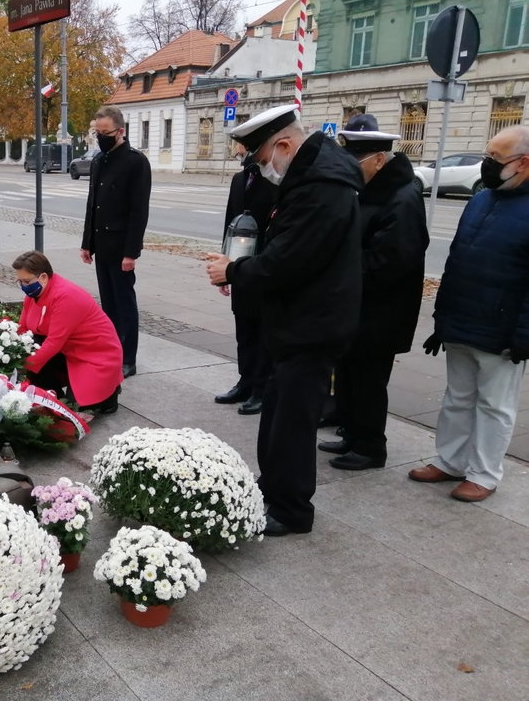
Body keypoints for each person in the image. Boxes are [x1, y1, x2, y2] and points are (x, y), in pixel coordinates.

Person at [205, 104, 364, 536]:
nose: (263, 170)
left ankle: (291, 509)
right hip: (295, 323)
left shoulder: (322, 187)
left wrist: (233, 271)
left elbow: (290, 260)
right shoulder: (310, 177)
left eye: (261, 159)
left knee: (292, 422)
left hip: (311, 326)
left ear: (284, 145)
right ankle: (273, 487)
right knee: (278, 414)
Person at [409, 125, 529, 501]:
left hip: (502, 329)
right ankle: (450, 461)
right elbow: (458, 261)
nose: (486, 164)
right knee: (457, 397)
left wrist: (524, 335)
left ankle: (484, 474)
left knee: (495, 406)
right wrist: (441, 319)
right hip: (462, 321)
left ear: (523, 163)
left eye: (495, 158)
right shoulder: (481, 199)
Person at [318, 114, 430, 470]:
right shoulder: (369, 189)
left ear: (379, 160)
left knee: (368, 381)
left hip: (381, 312)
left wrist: (341, 266)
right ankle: (352, 434)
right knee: (349, 376)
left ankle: (370, 447)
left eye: (356, 161)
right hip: (357, 306)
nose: (351, 167)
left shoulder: (402, 197)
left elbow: (392, 261)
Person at [80, 104, 152, 379]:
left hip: (122, 247)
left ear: (120, 131)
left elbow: (138, 211)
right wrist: (87, 243)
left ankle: (128, 358)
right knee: (107, 304)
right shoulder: (99, 160)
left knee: (124, 303)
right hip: (102, 244)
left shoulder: (135, 162)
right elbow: (93, 205)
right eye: (96, 132)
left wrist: (131, 253)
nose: (100, 137)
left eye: (105, 132)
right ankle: (111, 352)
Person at [13, 250, 123, 414]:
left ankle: (109, 393)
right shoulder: (34, 293)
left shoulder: (65, 296)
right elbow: (23, 328)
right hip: (68, 348)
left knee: (86, 405)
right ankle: (52, 398)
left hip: (95, 353)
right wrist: (11, 351)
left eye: (27, 281)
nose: (23, 286)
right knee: (34, 349)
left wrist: (21, 363)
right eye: (20, 281)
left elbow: (54, 343)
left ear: (43, 277)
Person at [214, 146, 277, 415]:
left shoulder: (275, 181)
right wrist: (224, 269)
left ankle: (262, 390)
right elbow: (230, 223)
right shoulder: (239, 180)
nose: (241, 151)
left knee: (262, 330)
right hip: (238, 265)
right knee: (244, 331)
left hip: (261, 267)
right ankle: (245, 381)